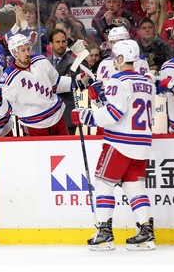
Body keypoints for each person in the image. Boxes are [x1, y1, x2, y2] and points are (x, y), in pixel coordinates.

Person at [71, 39, 156, 251]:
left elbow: (115, 114)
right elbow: (128, 110)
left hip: (120, 142)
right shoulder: (147, 82)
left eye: (114, 57)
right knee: (134, 185)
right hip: (142, 142)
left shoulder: (117, 80)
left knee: (103, 183)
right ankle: (146, 232)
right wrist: (103, 100)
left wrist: (86, 115)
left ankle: (104, 232)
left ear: (119, 58)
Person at [0, 33, 89, 136]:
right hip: (34, 126)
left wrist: (77, 82)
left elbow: (56, 83)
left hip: (57, 117)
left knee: (65, 151)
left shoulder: (40, 60)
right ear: (14, 53)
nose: (27, 53)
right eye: (23, 50)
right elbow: (4, 111)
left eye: (28, 49)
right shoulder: (8, 78)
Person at [47, 28, 78, 135]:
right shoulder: (45, 61)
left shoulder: (73, 62)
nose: (61, 45)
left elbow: (67, 84)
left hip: (66, 116)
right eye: (58, 42)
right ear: (51, 44)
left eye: (63, 41)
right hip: (48, 117)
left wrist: (47, 83)